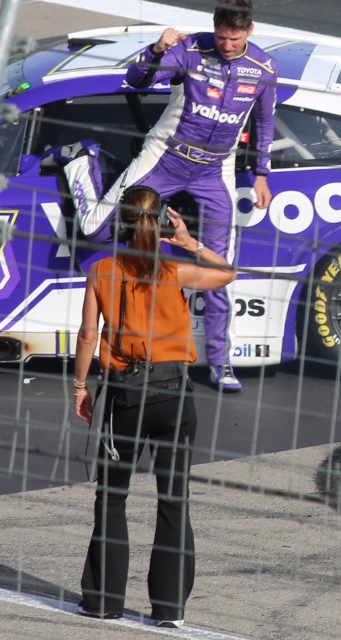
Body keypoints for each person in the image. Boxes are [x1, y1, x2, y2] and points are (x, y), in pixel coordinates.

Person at [61, 0, 278, 391]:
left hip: (216, 169)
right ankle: (81, 159)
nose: (227, 46)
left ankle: (220, 361)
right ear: (214, 28)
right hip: (165, 156)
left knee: (219, 267)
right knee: (95, 229)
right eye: (222, 37)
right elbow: (136, 79)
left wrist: (262, 174)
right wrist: (158, 49)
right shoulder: (191, 49)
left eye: (235, 38)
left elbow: (264, 122)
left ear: (250, 30)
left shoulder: (263, 67)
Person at [72, 185, 236, 628]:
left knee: (112, 498)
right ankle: (169, 610)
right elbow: (226, 274)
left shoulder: (102, 269)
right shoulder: (175, 269)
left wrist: (80, 387)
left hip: (125, 395)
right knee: (173, 500)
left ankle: (103, 601)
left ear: (119, 221)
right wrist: (187, 241)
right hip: (174, 395)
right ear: (161, 219)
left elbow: (89, 335)